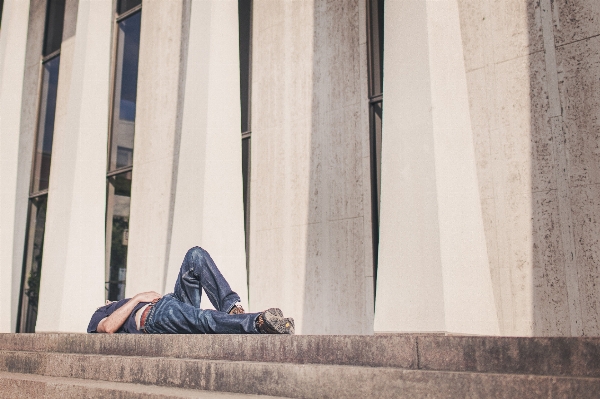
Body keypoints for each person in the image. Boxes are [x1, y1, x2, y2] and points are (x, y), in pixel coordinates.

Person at [87, 246, 294, 335]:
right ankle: (258, 322)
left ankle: (231, 308)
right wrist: (138, 298)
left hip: (170, 301)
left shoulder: (119, 305)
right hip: (155, 318)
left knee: (195, 255)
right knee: (202, 318)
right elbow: (108, 328)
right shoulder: (101, 313)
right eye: (108, 302)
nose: (109, 300)